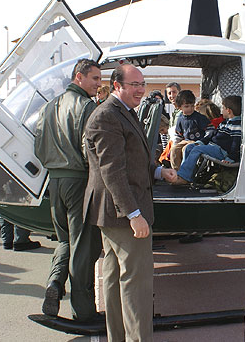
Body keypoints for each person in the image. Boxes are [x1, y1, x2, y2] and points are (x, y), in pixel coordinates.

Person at [84, 64, 177, 341]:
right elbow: (112, 171)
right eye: (134, 84)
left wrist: (158, 172)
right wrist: (134, 214)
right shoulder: (107, 116)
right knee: (136, 285)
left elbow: (132, 160)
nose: (140, 90)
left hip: (113, 213)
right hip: (122, 213)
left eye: (142, 84)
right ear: (117, 86)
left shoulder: (123, 112)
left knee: (116, 280)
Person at [34, 59, 104, 321]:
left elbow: (38, 147)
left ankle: (54, 282)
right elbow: (90, 150)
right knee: (83, 244)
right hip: (78, 181)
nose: (98, 84)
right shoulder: (86, 106)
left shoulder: (49, 106)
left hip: (55, 181)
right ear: (79, 77)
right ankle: (83, 311)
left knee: (65, 240)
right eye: (95, 78)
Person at [172, 95, 242, 184]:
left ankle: (184, 177)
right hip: (213, 146)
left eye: (223, 108)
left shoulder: (236, 125)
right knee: (189, 147)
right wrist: (201, 142)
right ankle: (187, 175)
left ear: (228, 111)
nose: (221, 111)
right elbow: (212, 134)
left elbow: (236, 143)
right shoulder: (225, 122)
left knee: (197, 150)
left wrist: (231, 158)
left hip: (221, 151)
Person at [170, 90, 211, 169]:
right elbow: (179, 134)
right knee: (174, 150)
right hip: (185, 140)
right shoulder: (180, 119)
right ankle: (177, 171)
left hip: (197, 141)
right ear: (179, 107)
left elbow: (209, 130)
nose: (190, 109)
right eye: (187, 106)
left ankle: (187, 172)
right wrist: (176, 143)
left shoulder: (199, 118)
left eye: (192, 106)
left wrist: (203, 140)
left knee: (186, 149)